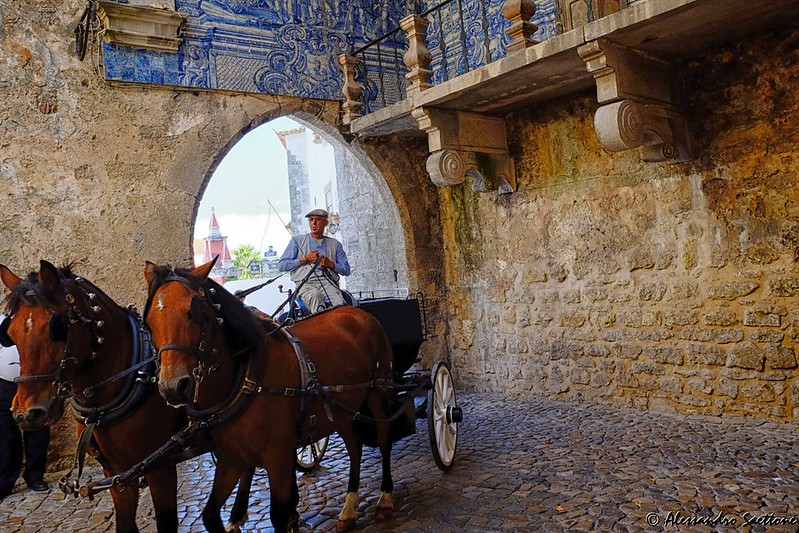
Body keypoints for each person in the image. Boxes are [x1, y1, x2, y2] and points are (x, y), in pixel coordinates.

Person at [0, 314, 51, 500]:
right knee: (5, 434)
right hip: (4, 385)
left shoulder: (35, 320)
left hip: (33, 383)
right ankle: (5, 481)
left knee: (37, 430)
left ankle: (35, 476)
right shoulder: (0, 322)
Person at [278, 209, 350, 314]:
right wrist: (305, 259)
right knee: (315, 297)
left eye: (318, 220)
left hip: (328, 282)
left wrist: (331, 265)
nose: (314, 223)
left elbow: (346, 270)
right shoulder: (297, 241)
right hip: (305, 283)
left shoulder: (335, 244)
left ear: (326, 223)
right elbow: (282, 265)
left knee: (339, 303)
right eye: (311, 220)